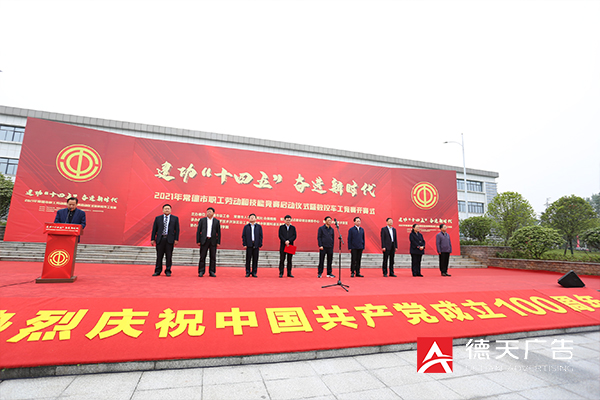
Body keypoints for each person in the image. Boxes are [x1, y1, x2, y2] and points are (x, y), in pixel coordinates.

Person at [150, 204, 180, 276]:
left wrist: (176, 239)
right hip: (160, 239)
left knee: (168, 256)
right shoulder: (158, 218)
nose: (167, 210)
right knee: (159, 256)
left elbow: (177, 230)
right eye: (165, 209)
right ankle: (158, 271)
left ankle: (168, 270)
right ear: (163, 210)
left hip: (169, 240)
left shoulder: (175, 218)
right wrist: (153, 239)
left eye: (168, 209)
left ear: (171, 210)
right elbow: (154, 229)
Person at [196, 207, 221, 277]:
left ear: (213, 213)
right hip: (204, 240)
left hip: (213, 241)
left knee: (213, 257)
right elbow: (198, 231)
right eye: (208, 211)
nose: (209, 213)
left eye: (210, 211)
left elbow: (218, 233)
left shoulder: (216, 221)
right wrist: (198, 240)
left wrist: (218, 242)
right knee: (202, 257)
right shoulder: (202, 220)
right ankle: (201, 271)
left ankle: (212, 271)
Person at [242, 213, 263, 277]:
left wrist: (260, 244)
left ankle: (254, 272)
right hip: (249, 244)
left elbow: (260, 236)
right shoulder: (246, 227)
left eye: (253, 217)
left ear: (256, 218)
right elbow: (244, 236)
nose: (252, 218)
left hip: (256, 244)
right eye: (251, 217)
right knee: (248, 259)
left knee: (255, 259)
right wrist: (244, 244)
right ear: (249, 219)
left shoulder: (259, 227)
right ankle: (247, 272)